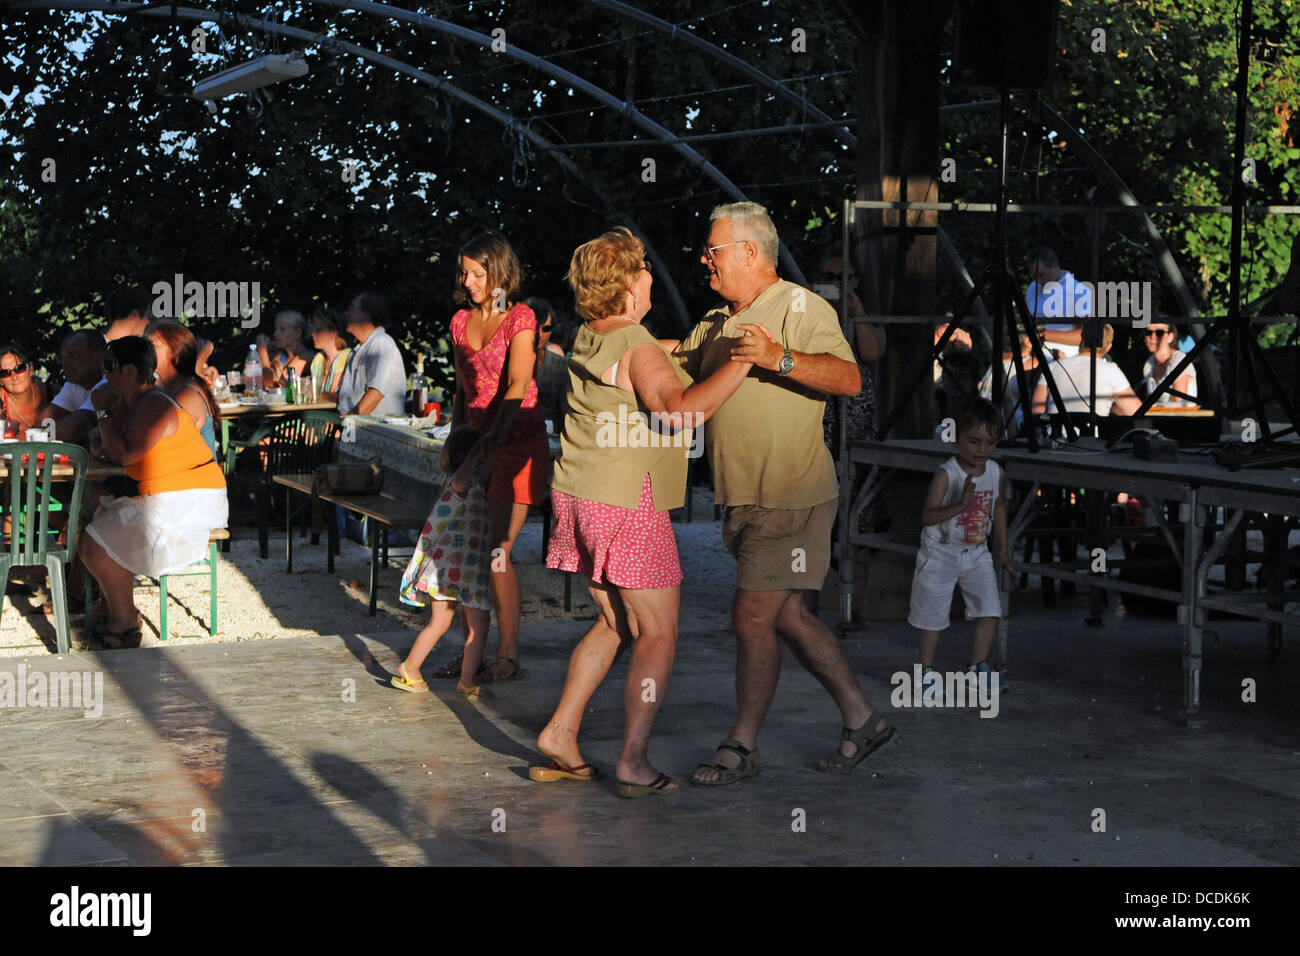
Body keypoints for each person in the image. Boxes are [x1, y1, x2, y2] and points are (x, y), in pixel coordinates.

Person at [672, 201, 895, 783]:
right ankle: (862, 718)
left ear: (749, 252)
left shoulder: (800, 305)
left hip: (791, 494)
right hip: (746, 497)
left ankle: (740, 745)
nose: (704, 259)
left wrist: (781, 357)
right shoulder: (719, 319)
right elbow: (673, 363)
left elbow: (849, 377)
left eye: (713, 248)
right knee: (790, 616)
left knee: (750, 618)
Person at [533, 227, 751, 795]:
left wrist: (690, 348)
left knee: (616, 623)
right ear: (630, 284)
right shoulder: (637, 345)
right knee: (659, 631)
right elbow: (678, 410)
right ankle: (633, 761)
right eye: (645, 267)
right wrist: (743, 363)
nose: (652, 274)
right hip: (626, 501)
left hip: (579, 495)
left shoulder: (590, 334)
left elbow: (641, 360)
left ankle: (560, 731)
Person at [443, 231, 550, 684]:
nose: (468, 281)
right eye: (465, 272)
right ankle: (473, 653)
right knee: (471, 551)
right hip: (476, 442)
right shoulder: (458, 321)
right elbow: (462, 388)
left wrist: (489, 443)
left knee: (498, 551)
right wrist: (456, 440)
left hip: (517, 442)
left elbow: (518, 384)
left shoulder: (520, 317)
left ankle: (507, 653)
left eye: (477, 273)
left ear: (499, 272)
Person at [78, 336, 228, 648]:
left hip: (189, 496)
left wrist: (102, 414)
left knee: (94, 541)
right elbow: (110, 445)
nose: (103, 372)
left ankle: (125, 624)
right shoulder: (128, 403)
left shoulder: (155, 404)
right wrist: (105, 434)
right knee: (95, 515)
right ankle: (113, 608)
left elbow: (122, 455)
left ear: (130, 370)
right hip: (164, 490)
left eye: (109, 366)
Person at [911, 400, 1014, 699]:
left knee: (990, 609)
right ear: (956, 439)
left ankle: (977, 669)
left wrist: (1004, 551)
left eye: (990, 443)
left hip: (976, 552)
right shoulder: (947, 474)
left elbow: (1000, 509)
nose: (981, 449)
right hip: (940, 552)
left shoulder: (995, 472)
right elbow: (928, 516)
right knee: (933, 617)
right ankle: (925, 674)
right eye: (973, 441)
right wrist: (960, 506)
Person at [390, 427, 495, 700]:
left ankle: (412, 668)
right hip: (454, 569)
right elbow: (464, 476)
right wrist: (476, 455)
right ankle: (465, 680)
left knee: (446, 622)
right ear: (473, 458)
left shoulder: (474, 484)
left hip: (461, 568)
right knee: (476, 623)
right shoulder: (461, 482)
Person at [148, 321, 222, 462]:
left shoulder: (187, 396)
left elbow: (160, 445)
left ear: (176, 355)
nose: (146, 352)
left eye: (153, 347)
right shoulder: (166, 388)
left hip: (198, 480)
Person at [1032, 323, 1140, 417]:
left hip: (1055, 437)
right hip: (1092, 439)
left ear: (1081, 340)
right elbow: (1135, 410)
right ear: (1108, 347)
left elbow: (1036, 410)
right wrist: (1111, 406)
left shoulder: (1053, 367)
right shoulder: (1111, 371)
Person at [336, 292, 406, 415]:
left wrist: (348, 423)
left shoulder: (381, 344)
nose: (347, 314)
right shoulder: (357, 350)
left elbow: (375, 393)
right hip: (357, 426)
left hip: (375, 429)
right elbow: (344, 397)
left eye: (352, 309)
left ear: (366, 314)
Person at [1025, 246, 1091, 359]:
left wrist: (1043, 335)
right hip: (1031, 355)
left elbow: (1087, 336)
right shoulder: (1032, 288)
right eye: (1034, 276)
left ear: (1055, 266)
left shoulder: (1080, 291)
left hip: (1066, 357)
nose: (1038, 280)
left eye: (1041, 275)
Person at [41, 330, 107, 443]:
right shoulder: (74, 385)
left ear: (99, 357)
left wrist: (38, 435)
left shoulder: (109, 384)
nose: (65, 363)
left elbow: (70, 430)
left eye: (73, 356)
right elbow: (42, 424)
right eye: (64, 356)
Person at [526, 296, 569, 430]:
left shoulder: (561, 366)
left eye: (546, 329)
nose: (539, 334)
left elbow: (565, 412)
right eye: (534, 326)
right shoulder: (505, 364)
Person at [255, 310, 321, 391]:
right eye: (276, 329)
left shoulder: (305, 357)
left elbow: (271, 386)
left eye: (282, 329)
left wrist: (262, 349)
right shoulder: (282, 356)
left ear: (297, 333)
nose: (276, 333)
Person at [1141, 319, 1198, 406]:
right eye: (1148, 332)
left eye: (1159, 333)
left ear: (1170, 337)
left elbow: (1178, 403)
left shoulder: (1179, 360)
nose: (1153, 336)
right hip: (1156, 417)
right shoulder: (1150, 363)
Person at [0, 345, 49, 433]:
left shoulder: (52, 394)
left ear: (30, 369)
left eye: (19, 368)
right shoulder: (1, 405)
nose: (14, 377)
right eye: (5, 373)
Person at [309, 308, 352, 398]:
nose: (313, 334)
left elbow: (333, 397)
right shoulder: (319, 358)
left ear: (334, 332)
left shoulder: (345, 357)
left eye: (318, 330)